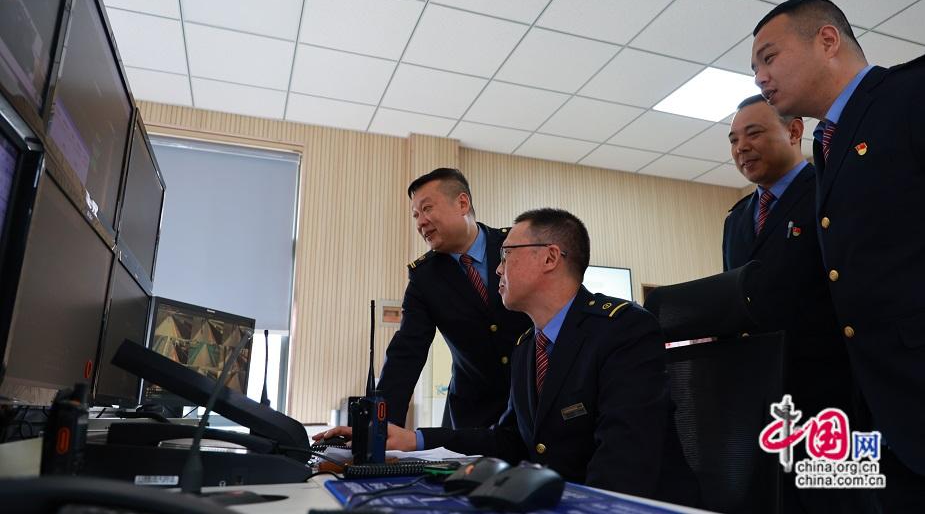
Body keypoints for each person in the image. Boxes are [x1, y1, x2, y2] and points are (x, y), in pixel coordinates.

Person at [320, 208, 699, 506]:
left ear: (550, 257)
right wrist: (414, 440)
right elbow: (508, 441)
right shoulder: (526, 348)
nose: (498, 268)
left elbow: (624, 461)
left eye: (507, 255)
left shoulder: (623, 329)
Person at [753, 0, 925, 508]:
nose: (760, 78)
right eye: (755, 68)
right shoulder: (828, 141)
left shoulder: (909, 95)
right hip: (882, 411)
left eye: (769, 57)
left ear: (827, 41)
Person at [725, 94, 856, 513]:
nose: (741, 147)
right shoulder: (736, 219)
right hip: (762, 403)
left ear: (795, 131)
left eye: (753, 133)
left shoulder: (830, 189)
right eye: (733, 140)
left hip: (832, 400)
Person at [376, 168, 531, 429]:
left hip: (533, 401)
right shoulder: (424, 277)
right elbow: (407, 351)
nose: (420, 222)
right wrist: (380, 427)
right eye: (415, 215)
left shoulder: (515, 246)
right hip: (472, 416)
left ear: (462, 203)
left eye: (427, 209)